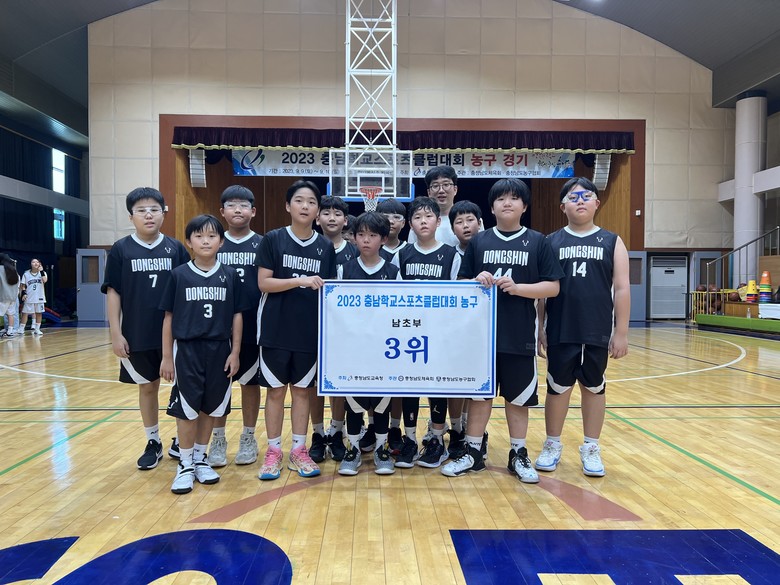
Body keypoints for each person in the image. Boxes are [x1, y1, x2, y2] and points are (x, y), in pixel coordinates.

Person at [441, 178, 564, 483]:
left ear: (524, 206)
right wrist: (475, 281)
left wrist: (518, 288)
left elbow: (553, 287)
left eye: (514, 198)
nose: (507, 203)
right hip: (481, 338)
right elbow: (461, 284)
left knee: (518, 399)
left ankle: (518, 454)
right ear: (492, 208)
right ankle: (472, 452)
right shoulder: (480, 241)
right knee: (480, 397)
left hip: (519, 335)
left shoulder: (538, 241)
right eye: (500, 199)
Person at [535, 177, 630, 478]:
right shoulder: (550, 242)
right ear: (562, 206)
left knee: (594, 388)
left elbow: (622, 288)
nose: (580, 201)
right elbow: (542, 291)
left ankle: (591, 447)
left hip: (596, 328)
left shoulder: (612, 241)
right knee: (557, 388)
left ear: (597, 203)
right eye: (573, 197)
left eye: (586, 196)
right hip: (561, 328)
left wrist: (621, 332)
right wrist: (540, 328)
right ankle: (552, 443)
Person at [101, 187, 190, 470]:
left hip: (176, 333)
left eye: (154, 209)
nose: (148, 215)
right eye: (141, 210)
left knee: (184, 386)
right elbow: (113, 292)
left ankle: (182, 440)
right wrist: (116, 333)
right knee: (147, 387)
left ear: (164, 213)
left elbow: (188, 288)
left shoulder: (176, 248)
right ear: (131, 217)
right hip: (137, 332)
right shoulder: (121, 249)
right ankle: (153, 441)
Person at [159, 214, 246, 494]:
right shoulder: (178, 275)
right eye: (199, 236)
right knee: (187, 409)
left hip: (220, 349)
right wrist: (166, 357)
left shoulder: (229, 275)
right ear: (189, 242)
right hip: (187, 349)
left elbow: (237, 316)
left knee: (210, 407)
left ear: (221, 242)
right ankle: (184, 463)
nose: (205, 241)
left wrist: (235, 352)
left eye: (211, 236)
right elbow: (168, 318)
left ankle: (199, 457)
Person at [256, 180, 337, 480]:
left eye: (311, 202)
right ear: (288, 206)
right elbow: (264, 283)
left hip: (309, 332)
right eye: (299, 200)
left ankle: (299, 450)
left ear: (317, 211)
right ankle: (274, 451)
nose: (305, 206)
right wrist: (299, 280)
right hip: (275, 329)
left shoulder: (325, 246)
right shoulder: (273, 239)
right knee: (276, 392)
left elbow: (329, 290)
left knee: (303, 392)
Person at [391, 196, 461, 469]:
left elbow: (458, 297)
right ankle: (409, 439)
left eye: (428, 216)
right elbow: (394, 295)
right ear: (410, 224)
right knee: (409, 386)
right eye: (418, 217)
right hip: (409, 332)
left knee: (437, 385)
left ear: (438, 221)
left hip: (439, 333)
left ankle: (436, 440)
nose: (423, 221)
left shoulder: (451, 255)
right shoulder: (402, 254)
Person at [203, 186, 264, 468]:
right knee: (218, 386)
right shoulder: (213, 243)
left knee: (250, 384)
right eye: (231, 205)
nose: (237, 209)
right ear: (222, 212)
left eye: (243, 205)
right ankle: (217, 439)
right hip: (216, 329)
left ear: (254, 211)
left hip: (252, 327)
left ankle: (249, 437)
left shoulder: (263, 244)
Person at [337, 212, 401, 476]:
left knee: (382, 401)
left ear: (383, 239)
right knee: (354, 401)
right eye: (361, 234)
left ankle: (381, 449)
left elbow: (399, 312)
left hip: (384, 350)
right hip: (354, 349)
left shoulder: (393, 272)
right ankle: (352, 450)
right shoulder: (345, 269)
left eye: (372, 235)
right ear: (353, 237)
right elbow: (336, 311)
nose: (365, 240)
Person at [308, 195, 355, 463]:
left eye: (337, 214)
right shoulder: (309, 247)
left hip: (343, 329)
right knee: (314, 383)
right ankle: (317, 433)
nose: (332, 218)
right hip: (311, 324)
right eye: (326, 213)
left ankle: (337, 431)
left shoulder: (353, 251)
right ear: (318, 219)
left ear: (345, 221)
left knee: (338, 382)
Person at [408, 165, 460, 248]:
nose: (441, 190)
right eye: (435, 186)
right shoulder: (419, 222)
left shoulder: (468, 219)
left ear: (455, 189)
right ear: (429, 192)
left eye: (446, 184)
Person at [19, 258, 48, 335]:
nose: (35, 263)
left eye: (37, 262)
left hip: (40, 296)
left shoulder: (43, 273)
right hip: (29, 296)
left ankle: (37, 329)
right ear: (31, 264)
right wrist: (24, 293)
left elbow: (45, 280)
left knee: (39, 313)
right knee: (25, 313)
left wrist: (41, 271)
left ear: (39, 264)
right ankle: (21, 328)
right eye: (33, 262)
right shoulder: (26, 274)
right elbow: (23, 285)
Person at [0, 253, 20, 337]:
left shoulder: (0, 269)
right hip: (13, 297)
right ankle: (10, 331)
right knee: (10, 314)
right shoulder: (13, 269)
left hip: (3, 296)